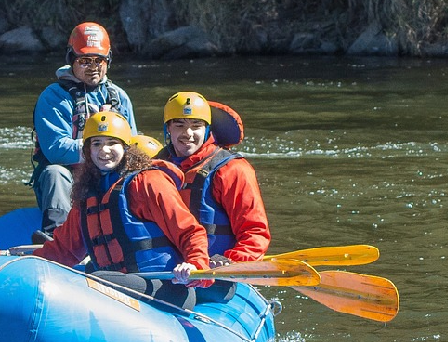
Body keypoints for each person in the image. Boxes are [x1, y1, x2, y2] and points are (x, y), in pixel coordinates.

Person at [33, 110, 213, 309]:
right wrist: (27, 267)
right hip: (118, 287)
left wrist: (195, 264)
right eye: (97, 143)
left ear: (126, 148)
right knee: (91, 271)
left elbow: (190, 231)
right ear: (87, 150)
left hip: (166, 287)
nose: (104, 151)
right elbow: (63, 250)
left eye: (112, 143)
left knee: (95, 279)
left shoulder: (147, 182)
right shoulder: (88, 194)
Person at [30, 22, 137, 243]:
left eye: (99, 60)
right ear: (71, 59)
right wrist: (99, 151)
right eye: (85, 61)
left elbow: (133, 145)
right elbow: (56, 151)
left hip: (110, 174)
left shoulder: (119, 97)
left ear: (108, 61)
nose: (93, 67)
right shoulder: (54, 97)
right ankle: (56, 236)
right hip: (69, 177)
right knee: (54, 173)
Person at [157, 91, 270, 264]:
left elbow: (255, 232)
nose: (188, 133)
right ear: (168, 129)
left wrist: (230, 262)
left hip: (216, 269)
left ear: (207, 129)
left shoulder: (232, 169)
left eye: (196, 126)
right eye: (179, 125)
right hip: (169, 269)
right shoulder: (155, 169)